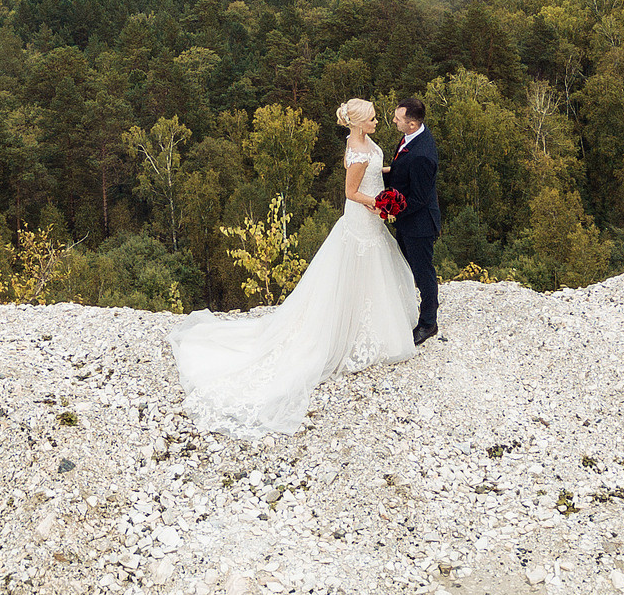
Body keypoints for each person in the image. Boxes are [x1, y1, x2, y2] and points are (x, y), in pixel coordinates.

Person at [167, 98, 419, 437]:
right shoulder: (357, 151)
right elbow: (350, 190)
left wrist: (386, 174)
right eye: (373, 119)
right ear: (358, 125)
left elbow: (373, 169)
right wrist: (377, 203)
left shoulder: (360, 142)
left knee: (369, 273)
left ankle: (361, 323)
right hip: (361, 219)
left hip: (369, 221)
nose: (378, 123)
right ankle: (347, 332)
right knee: (356, 272)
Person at [389, 96, 441, 344]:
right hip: (408, 221)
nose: (394, 121)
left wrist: (391, 209)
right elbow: (402, 169)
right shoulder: (413, 137)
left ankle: (429, 323)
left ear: (411, 124)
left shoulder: (422, 155)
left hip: (419, 224)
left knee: (423, 273)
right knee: (406, 267)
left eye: (398, 119)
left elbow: (419, 198)